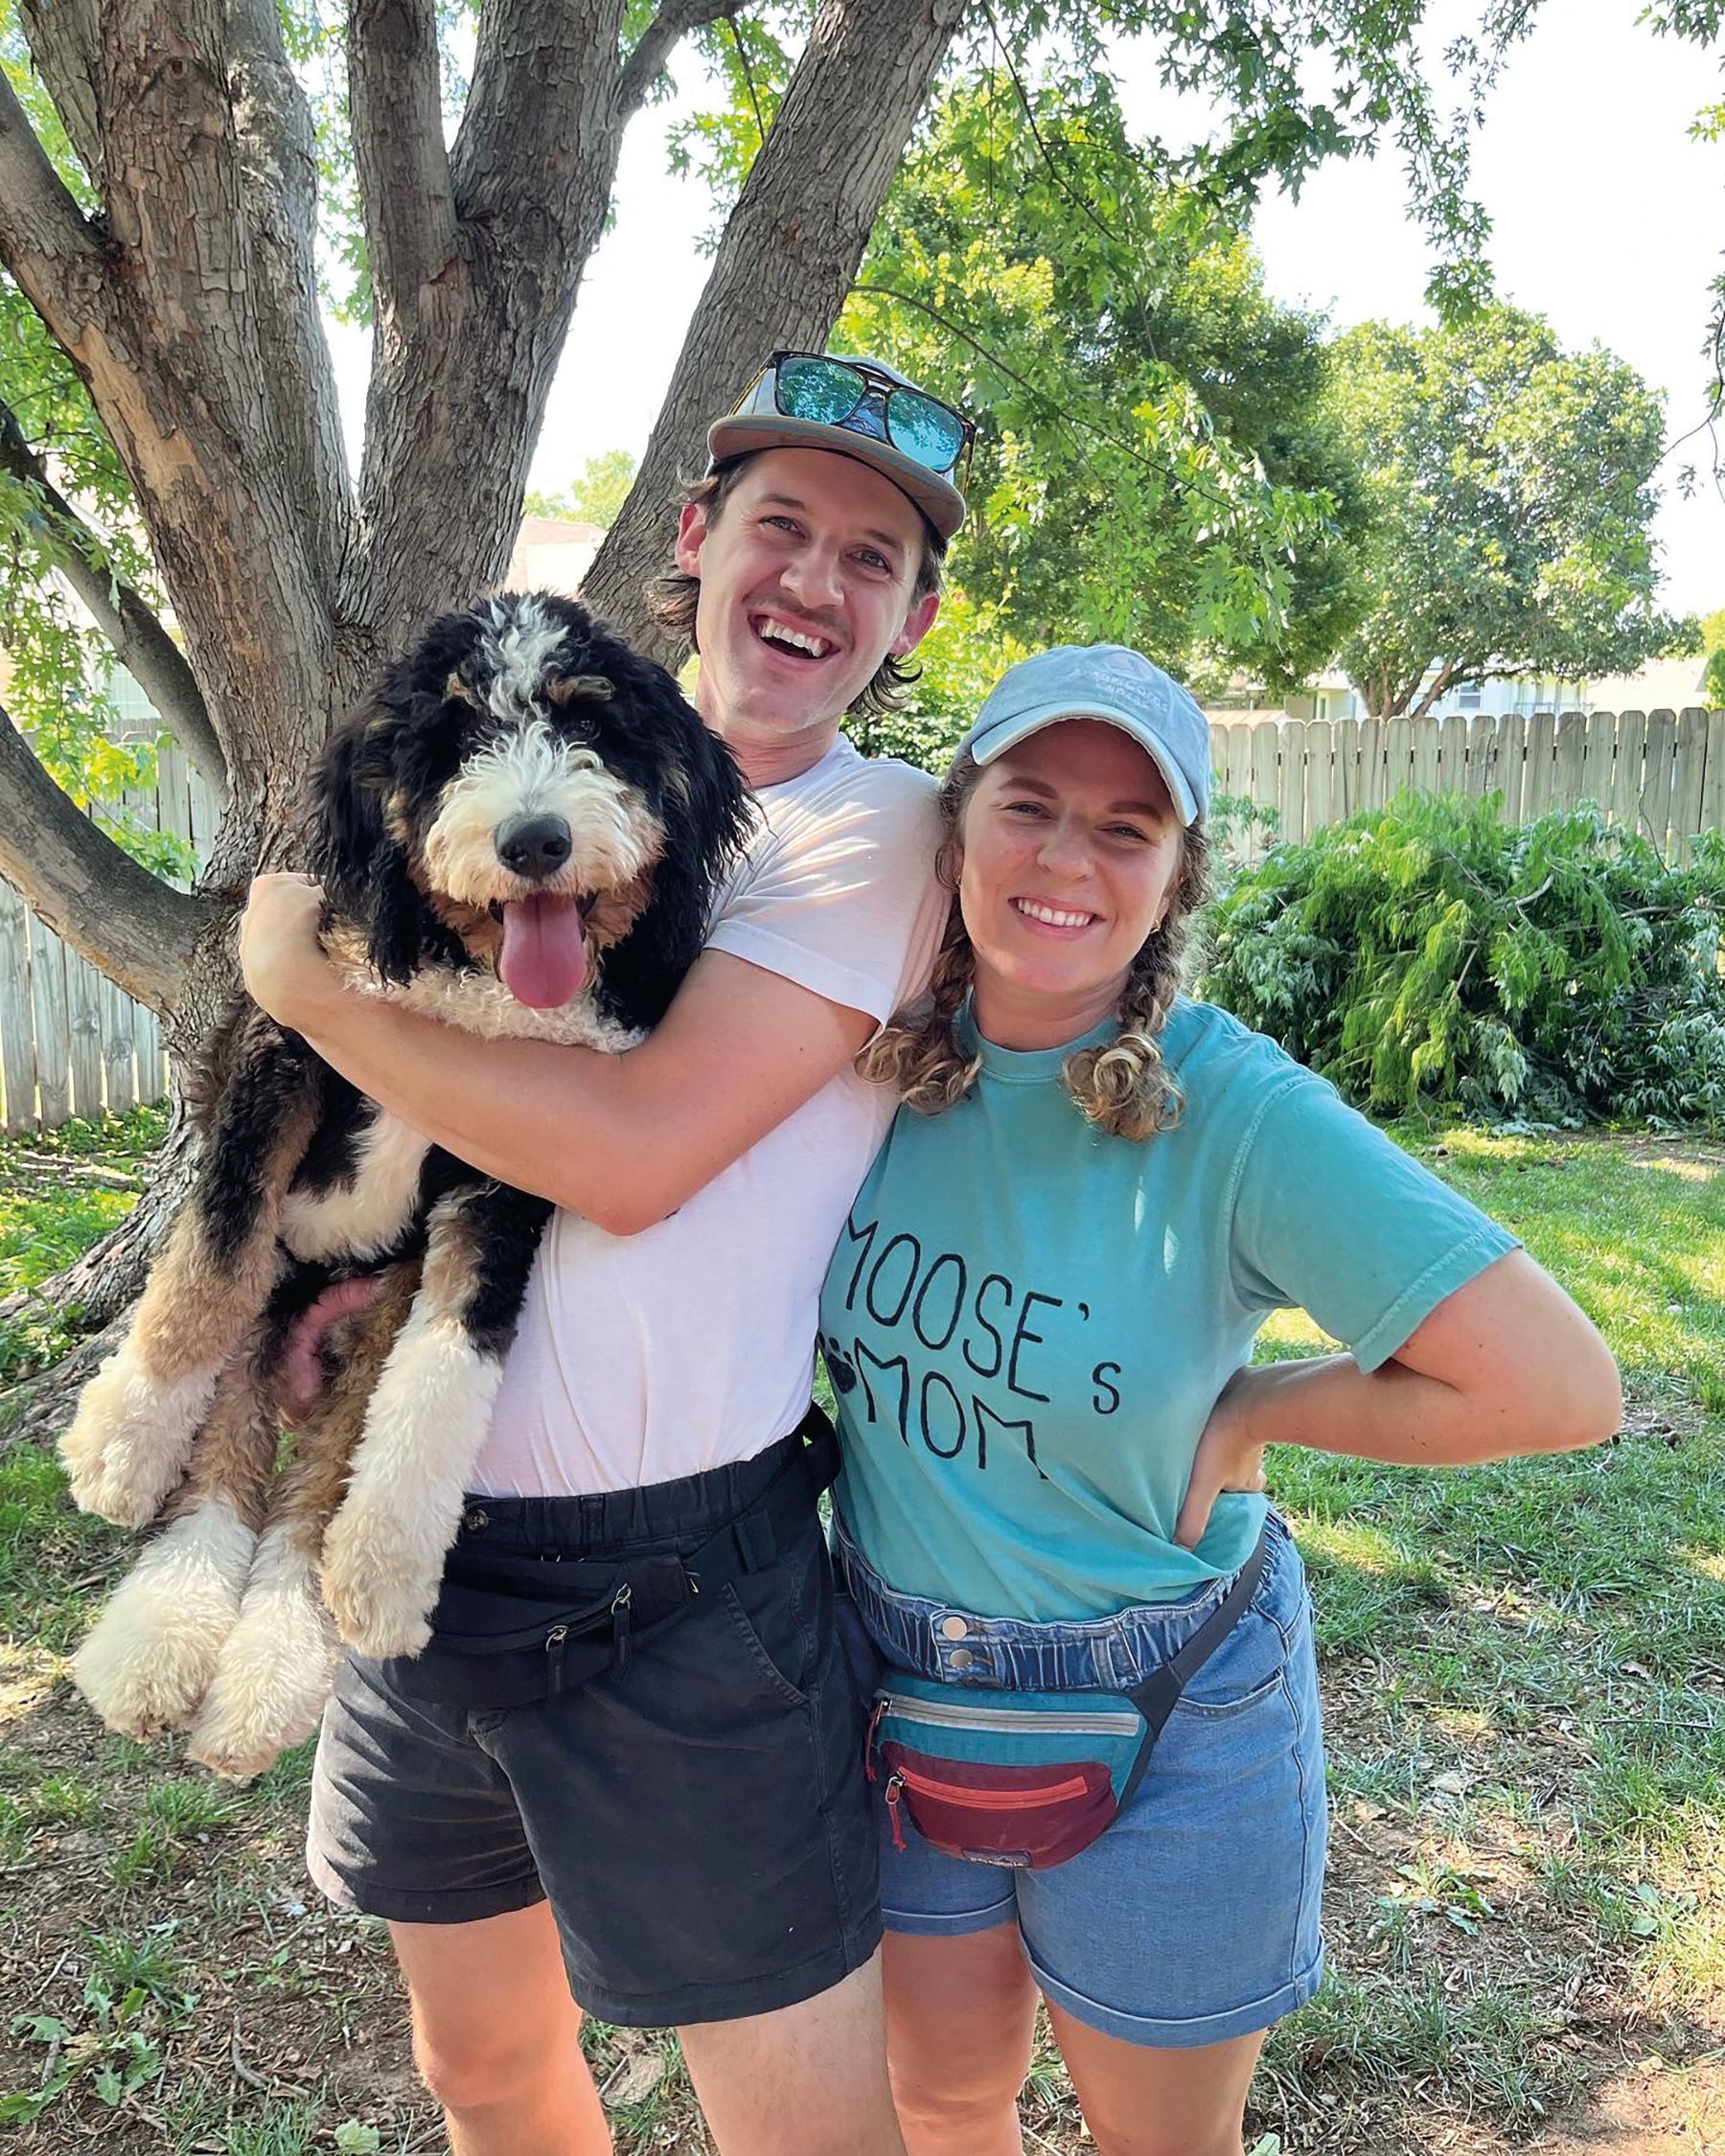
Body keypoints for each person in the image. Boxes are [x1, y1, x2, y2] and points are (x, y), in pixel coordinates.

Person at [237, 352, 978, 2156]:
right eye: (782, 525)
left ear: (913, 617)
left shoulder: (872, 831)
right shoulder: (508, 794)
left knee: (804, 2134)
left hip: (680, 1594)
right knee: (483, 2068)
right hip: (424, 1536)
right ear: (696, 536)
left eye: (871, 557)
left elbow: (633, 1155)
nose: (814, 581)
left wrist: (307, 991)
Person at [817, 644, 1623, 2156]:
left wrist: (1257, 1408)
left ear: (1175, 877)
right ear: (957, 822)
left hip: (1168, 1707)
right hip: (890, 1681)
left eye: (1126, 828)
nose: (1068, 859)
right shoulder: (858, 1059)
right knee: (941, 2101)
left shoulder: (1232, 1111)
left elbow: (1559, 1382)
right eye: (1029, 805)